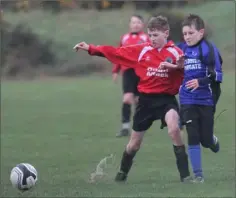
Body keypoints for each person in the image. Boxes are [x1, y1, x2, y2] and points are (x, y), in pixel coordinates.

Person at [74, 16, 191, 183]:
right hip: (145, 102)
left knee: (174, 129)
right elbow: (116, 52)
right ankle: (122, 172)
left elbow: (187, 71)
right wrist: (91, 48)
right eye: (150, 35)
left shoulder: (176, 53)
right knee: (134, 144)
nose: (152, 39)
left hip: (166, 100)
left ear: (166, 33)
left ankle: (185, 176)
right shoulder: (142, 50)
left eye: (156, 35)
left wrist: (181, 67)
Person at [161, 14, 223, 183]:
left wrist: (201, 81)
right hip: (187, 100)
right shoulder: (182, 49)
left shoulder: (209, 49)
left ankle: (211, 140)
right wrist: (169, 64)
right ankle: (198, 175)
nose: (187, 37)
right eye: (185, 34)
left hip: (207, 100)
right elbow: (169, 59)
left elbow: (218, 75)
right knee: (193, 136)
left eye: (191, 33)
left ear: (201, 32)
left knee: (205, 139)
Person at [112, 14, 150, 137]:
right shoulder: (124, 38)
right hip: (128, 72)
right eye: (133, 22)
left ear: (142, 25)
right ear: (130, 24)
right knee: (127, 98)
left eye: (138, 22)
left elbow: (151, 54)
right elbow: (118, 55)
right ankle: (125, 127)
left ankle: (139, 126)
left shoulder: (146, 38)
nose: (135, 24)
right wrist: (115, 71)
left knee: (139, 100)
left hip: (141, 71)